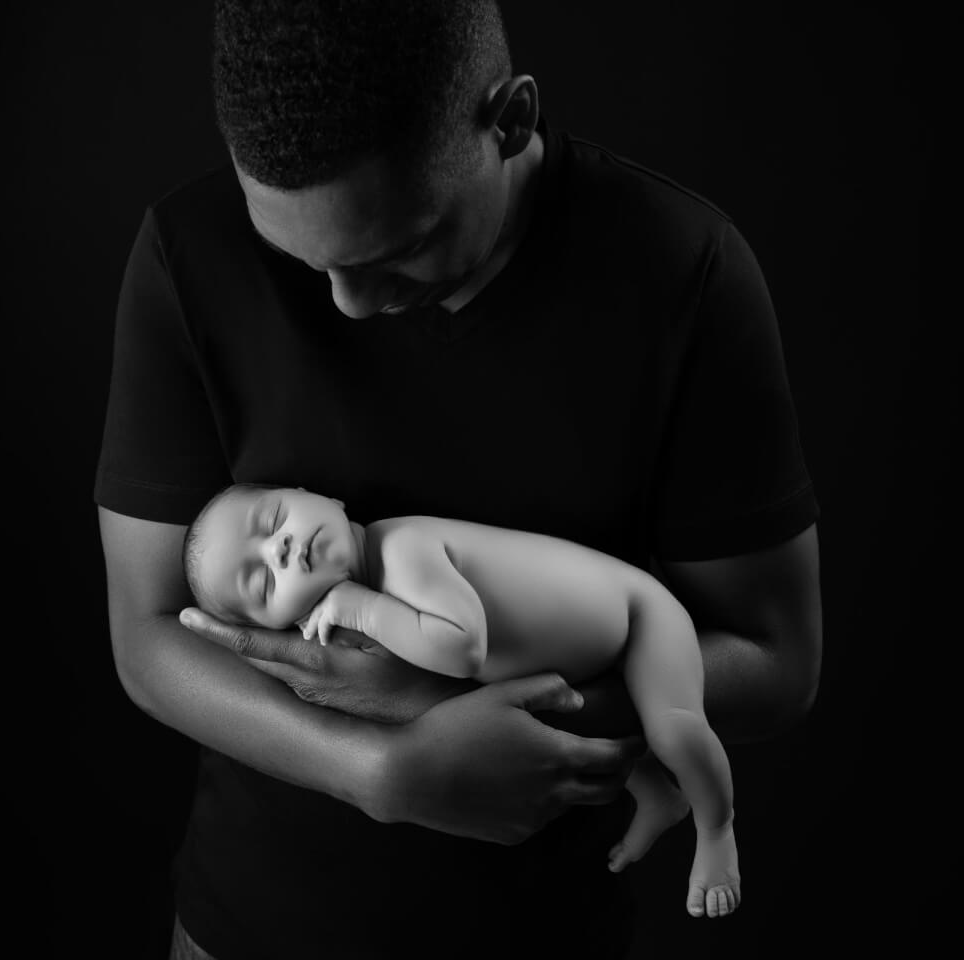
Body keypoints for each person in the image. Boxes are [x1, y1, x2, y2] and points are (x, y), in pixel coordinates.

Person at [94, 1, 823, 957]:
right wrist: (381, 771)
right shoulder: (188, 252)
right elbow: (147, 633)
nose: (347, 304)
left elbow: (777, 661)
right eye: (296, 257)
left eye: (398, 247)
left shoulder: (682, 271)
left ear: (510, 118)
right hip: (250, 928)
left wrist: (464, 703)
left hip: (545, 929)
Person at [184, 482, 742, 917]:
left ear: (324, 499)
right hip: (591, 662)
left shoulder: (401, 549)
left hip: (640, 620)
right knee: (597, 733)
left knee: (671, 727)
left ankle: (717, 829)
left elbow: (463, 648)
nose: (278, 547)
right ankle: (661, 798)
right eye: (262, 582)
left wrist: (359, 610)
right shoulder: (381, 584)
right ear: (287, 625)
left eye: (275, 519)